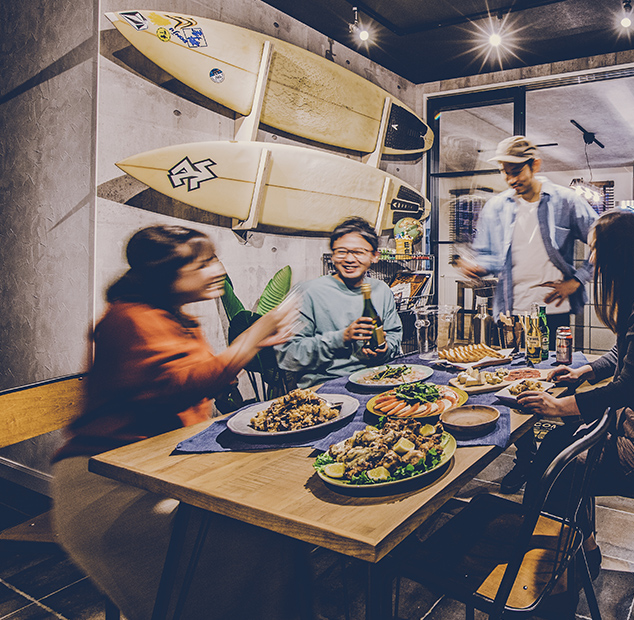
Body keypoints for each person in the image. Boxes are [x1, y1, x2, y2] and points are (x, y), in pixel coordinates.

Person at [52, 225, 301, 620]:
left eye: (214, 258)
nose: (217, 269)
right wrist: (249, 340)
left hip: (163, 466)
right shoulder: (126, 319)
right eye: (202, 263)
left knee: (273, 525)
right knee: (246, 539)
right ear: (166, 275)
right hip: (109, 482)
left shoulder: (178, 319)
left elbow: (200, 380)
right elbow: (176, 387)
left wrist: (239, 357)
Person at [518, 209, 634, 576]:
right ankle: (572, 547)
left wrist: (559, 406)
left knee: (559, 467)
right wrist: (585, 370)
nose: (592, 258)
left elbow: (627, 386)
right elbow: (623, 354)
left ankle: (567, 558)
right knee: (555, 447)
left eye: (595, 248)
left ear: (616, 251)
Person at [456, 135, 598, 493]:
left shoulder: (566, 200)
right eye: (504, 172)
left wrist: (578, 280)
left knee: (556, 383)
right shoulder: (496, 207)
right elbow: (490, 258)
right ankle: (525, 459)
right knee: (512, 390)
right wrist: (476, 267)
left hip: (554, 312)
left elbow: (603, 238)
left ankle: (558, 460)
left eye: (516, 170)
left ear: (535, 164)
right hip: (511, 315)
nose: (510, 179)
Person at [276, 217, 403, 388]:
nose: (349, 259)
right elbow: (288, 355)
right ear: (333, 255)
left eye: (358, 252)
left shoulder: (382, 290)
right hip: (326, 388)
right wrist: (341, 338)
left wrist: (384, 349)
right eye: (341, 251)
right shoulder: (307, 292)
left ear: (374, 256)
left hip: (379, 380)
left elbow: (394, 336)